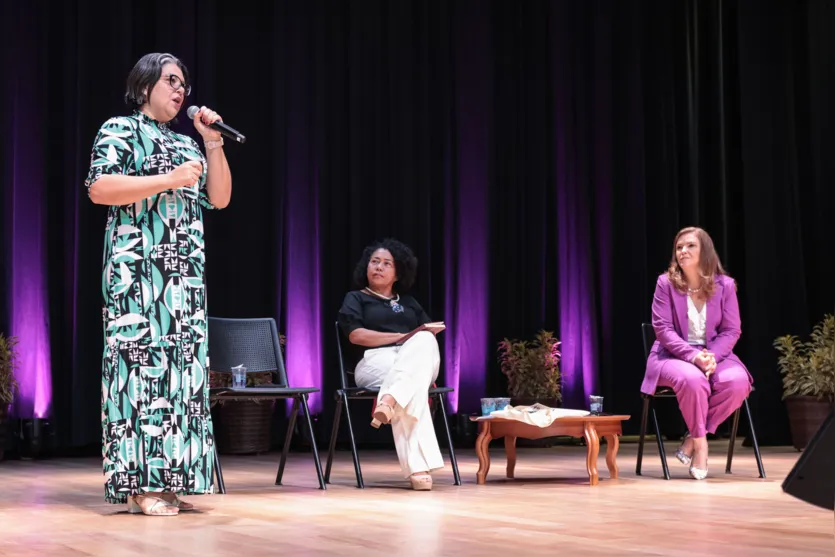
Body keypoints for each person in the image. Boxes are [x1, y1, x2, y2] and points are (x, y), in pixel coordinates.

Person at [85, 53, 232, 515]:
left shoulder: (189, 146)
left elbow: (220, 199)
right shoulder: (120, 129)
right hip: (138, 279)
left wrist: (212, 144)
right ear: (145, 85)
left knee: (181, 383)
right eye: (171, 80)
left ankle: (171, 481)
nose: (180, 89)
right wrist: (165, 180)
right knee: (137, 378)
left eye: (184, 83)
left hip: (183, 283)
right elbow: (100, 188)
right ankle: (138, 486)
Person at [641, 227, 753, 480]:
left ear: (705, 251)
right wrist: (694, 357)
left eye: (690, 246)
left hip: (714, 354)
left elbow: (732, 330)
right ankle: (701, 446)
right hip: (670, 355)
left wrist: (710, 356)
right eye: (679, 247)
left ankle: (692, 437)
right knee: (693, 379)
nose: (683, 251)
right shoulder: (665, 284)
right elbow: (663, 330)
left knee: (737, 382)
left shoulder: (725, 286)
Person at [337, 239, 446, 491]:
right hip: (374, 362)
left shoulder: (409, 303)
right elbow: (356, 336)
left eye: (387, 263)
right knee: (411, 385)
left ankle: (388, 401)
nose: (379, 267)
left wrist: (414, 339)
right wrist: (401, 338)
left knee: (425, 338)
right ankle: (417, 467)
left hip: (416, 362)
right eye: (374, 262)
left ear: (398, 273)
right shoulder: (355, 298)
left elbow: (427, 336)